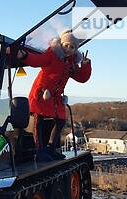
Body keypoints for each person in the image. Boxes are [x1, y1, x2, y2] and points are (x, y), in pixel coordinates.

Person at [16, 30, 92, 162]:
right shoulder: (52, 54)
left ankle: (51, 148)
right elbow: (37, 60)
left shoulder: (70, 63)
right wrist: (24, 56)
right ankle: (40, 151)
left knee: (61, 120)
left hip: (56, 97)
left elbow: (82, 78)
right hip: (41, 93)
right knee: (38, 121)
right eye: (66, 45)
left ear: (75, 49)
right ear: (61, 44)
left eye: (72, 47)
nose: (68, 49)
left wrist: (85, 65)